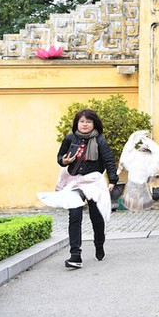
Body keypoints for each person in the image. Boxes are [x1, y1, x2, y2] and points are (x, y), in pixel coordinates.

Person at [56, 108, 118, 269]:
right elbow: (60, 157)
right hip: (74, 182)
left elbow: (109, 161)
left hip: (94, 182)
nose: (85, 124)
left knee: (96, 217)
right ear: (77, 123)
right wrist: (65, 161)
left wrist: (112, 180)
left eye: (88, 122)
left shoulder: (100, 140)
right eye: (82, 121)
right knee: (74, 216)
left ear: (94, 124)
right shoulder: (70, 138)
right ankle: (75, 255)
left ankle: (99, 245)